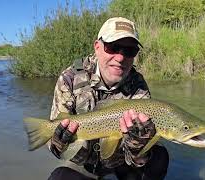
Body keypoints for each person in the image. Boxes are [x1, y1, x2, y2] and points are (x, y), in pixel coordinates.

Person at [47, 17, 169, 180]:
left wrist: (138, 147)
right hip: (81, 164)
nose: (120, 58)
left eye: (129, 50)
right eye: (113, 47)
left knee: (159, 157)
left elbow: (140, 155)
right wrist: (58, 142)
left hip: (119, 163)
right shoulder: (70, 78)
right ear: (97, 47)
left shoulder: (138, 85)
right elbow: (56, 148)